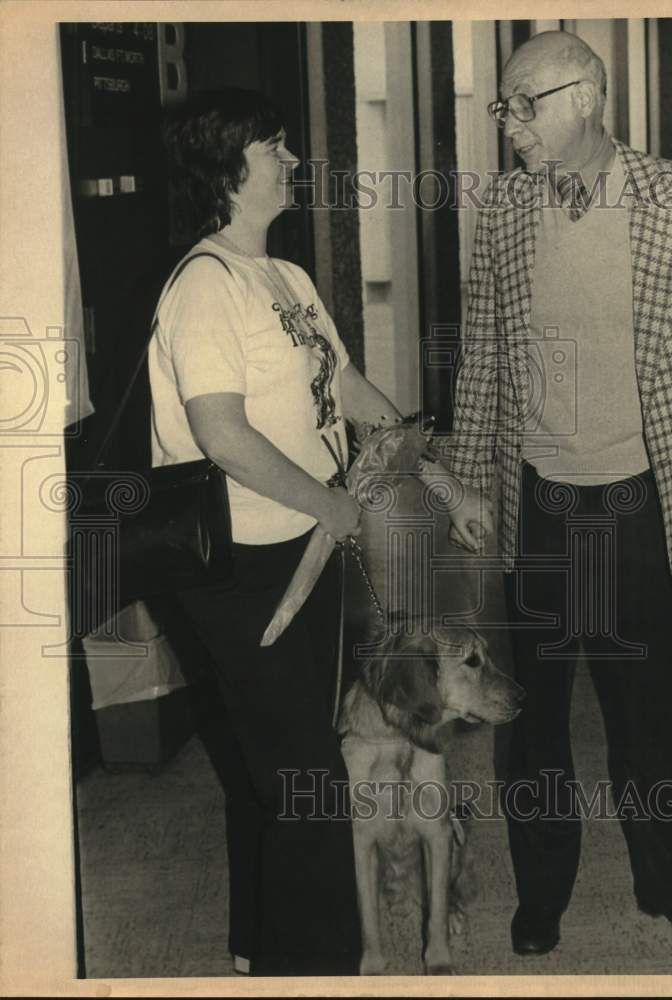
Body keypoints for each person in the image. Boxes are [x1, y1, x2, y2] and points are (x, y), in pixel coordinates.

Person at [447, 31, 672, 956]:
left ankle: (671, 887)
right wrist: (466, 475)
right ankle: (541, 894)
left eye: (520, 105)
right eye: (500, 107)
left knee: (647, 713)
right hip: (538, 500)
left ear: (584, 96)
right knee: (530, 721)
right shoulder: (499, 208)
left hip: (638, 504)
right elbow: (483, 352)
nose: (508, 127)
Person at [148, 88, 414, 976]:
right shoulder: (201, 285)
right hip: (243, 566)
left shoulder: (287, 278)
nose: (294, 160)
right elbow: (222, 433)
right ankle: (318, 965)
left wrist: (417, 447)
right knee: (305, 773)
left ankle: (257, 948)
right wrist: (328, 503)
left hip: (305, 551)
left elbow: (340, 386)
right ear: (228, 166)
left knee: (283, 756)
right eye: (276, 147)